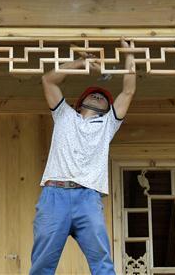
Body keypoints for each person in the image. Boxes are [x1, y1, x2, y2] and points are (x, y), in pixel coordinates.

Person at [30, 39, 138, 275]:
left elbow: (128, 90)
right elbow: (48, 80)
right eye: (93, 94)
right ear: (79, 104)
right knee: (41, 265)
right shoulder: (64, 114)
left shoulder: (108, 124)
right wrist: (81, 62)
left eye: (103, 97)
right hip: (54, 194)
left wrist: (129, 55)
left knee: (102, 265)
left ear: (108, 108)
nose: (98, 96)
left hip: (88, 198)